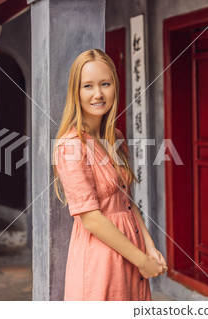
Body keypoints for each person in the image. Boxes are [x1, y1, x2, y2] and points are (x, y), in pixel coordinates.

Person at [53, 48, 167, 301]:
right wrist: (142, 261)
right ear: (76, 91)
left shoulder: (114, 138)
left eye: (105, 84)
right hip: (101, 261)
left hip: (131, 252)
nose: (98, 94)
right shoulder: (71, 146)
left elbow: (126, 201)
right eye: (88, 86)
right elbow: (91, 217)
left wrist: (149, 246)